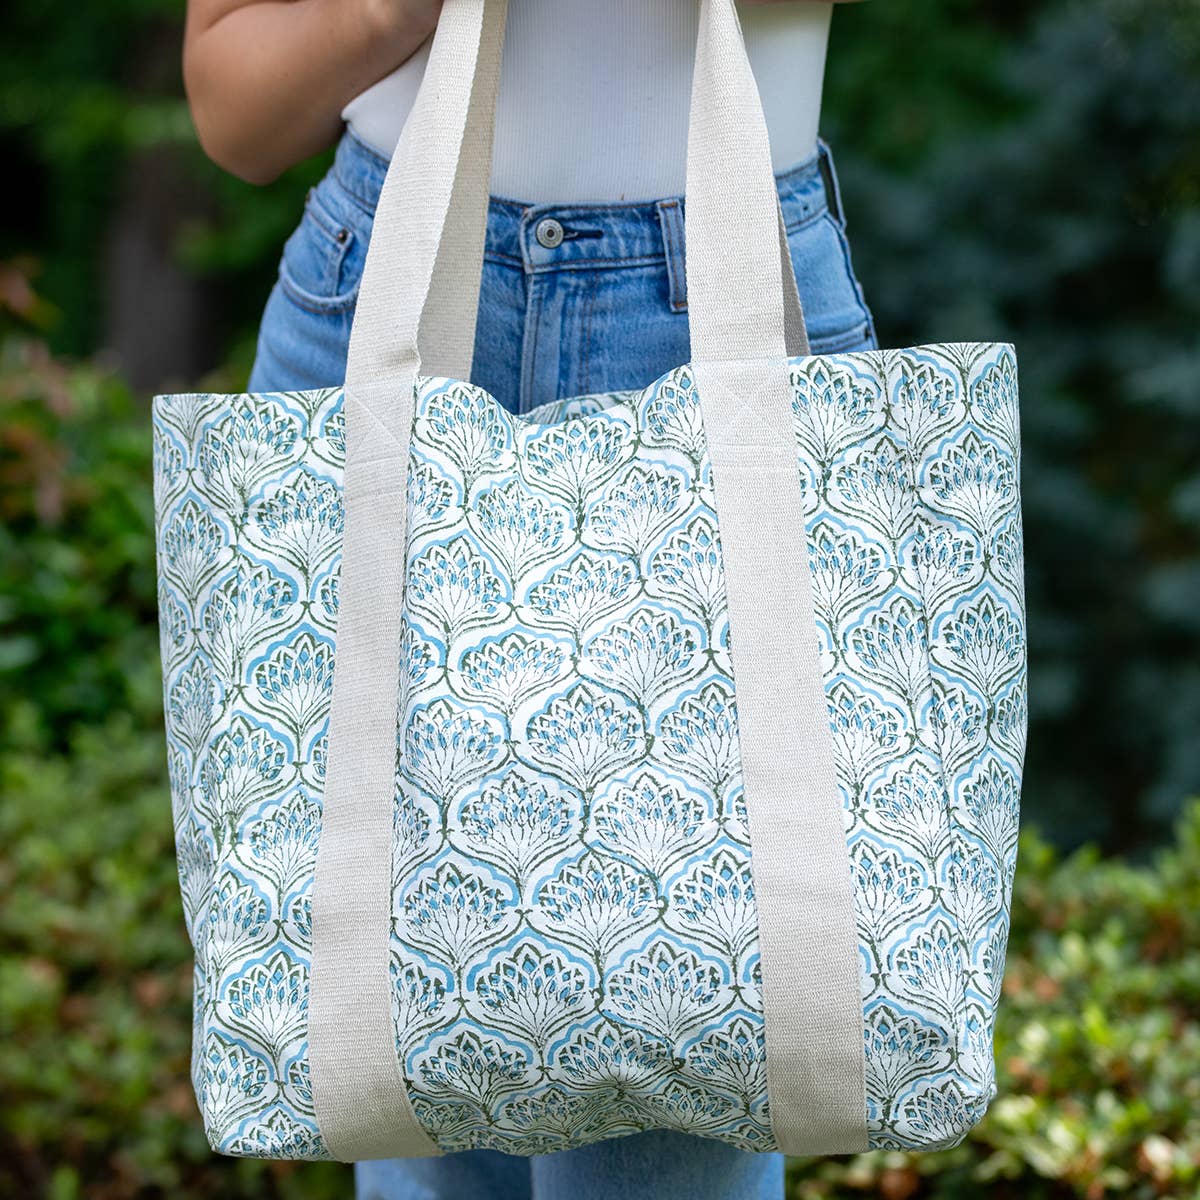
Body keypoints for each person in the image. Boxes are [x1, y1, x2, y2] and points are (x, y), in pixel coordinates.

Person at [181, 1, 878, 1196]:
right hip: (384, 286)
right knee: (400, 1089)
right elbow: (234, 107)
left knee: (692, 1066)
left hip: (720, 306)